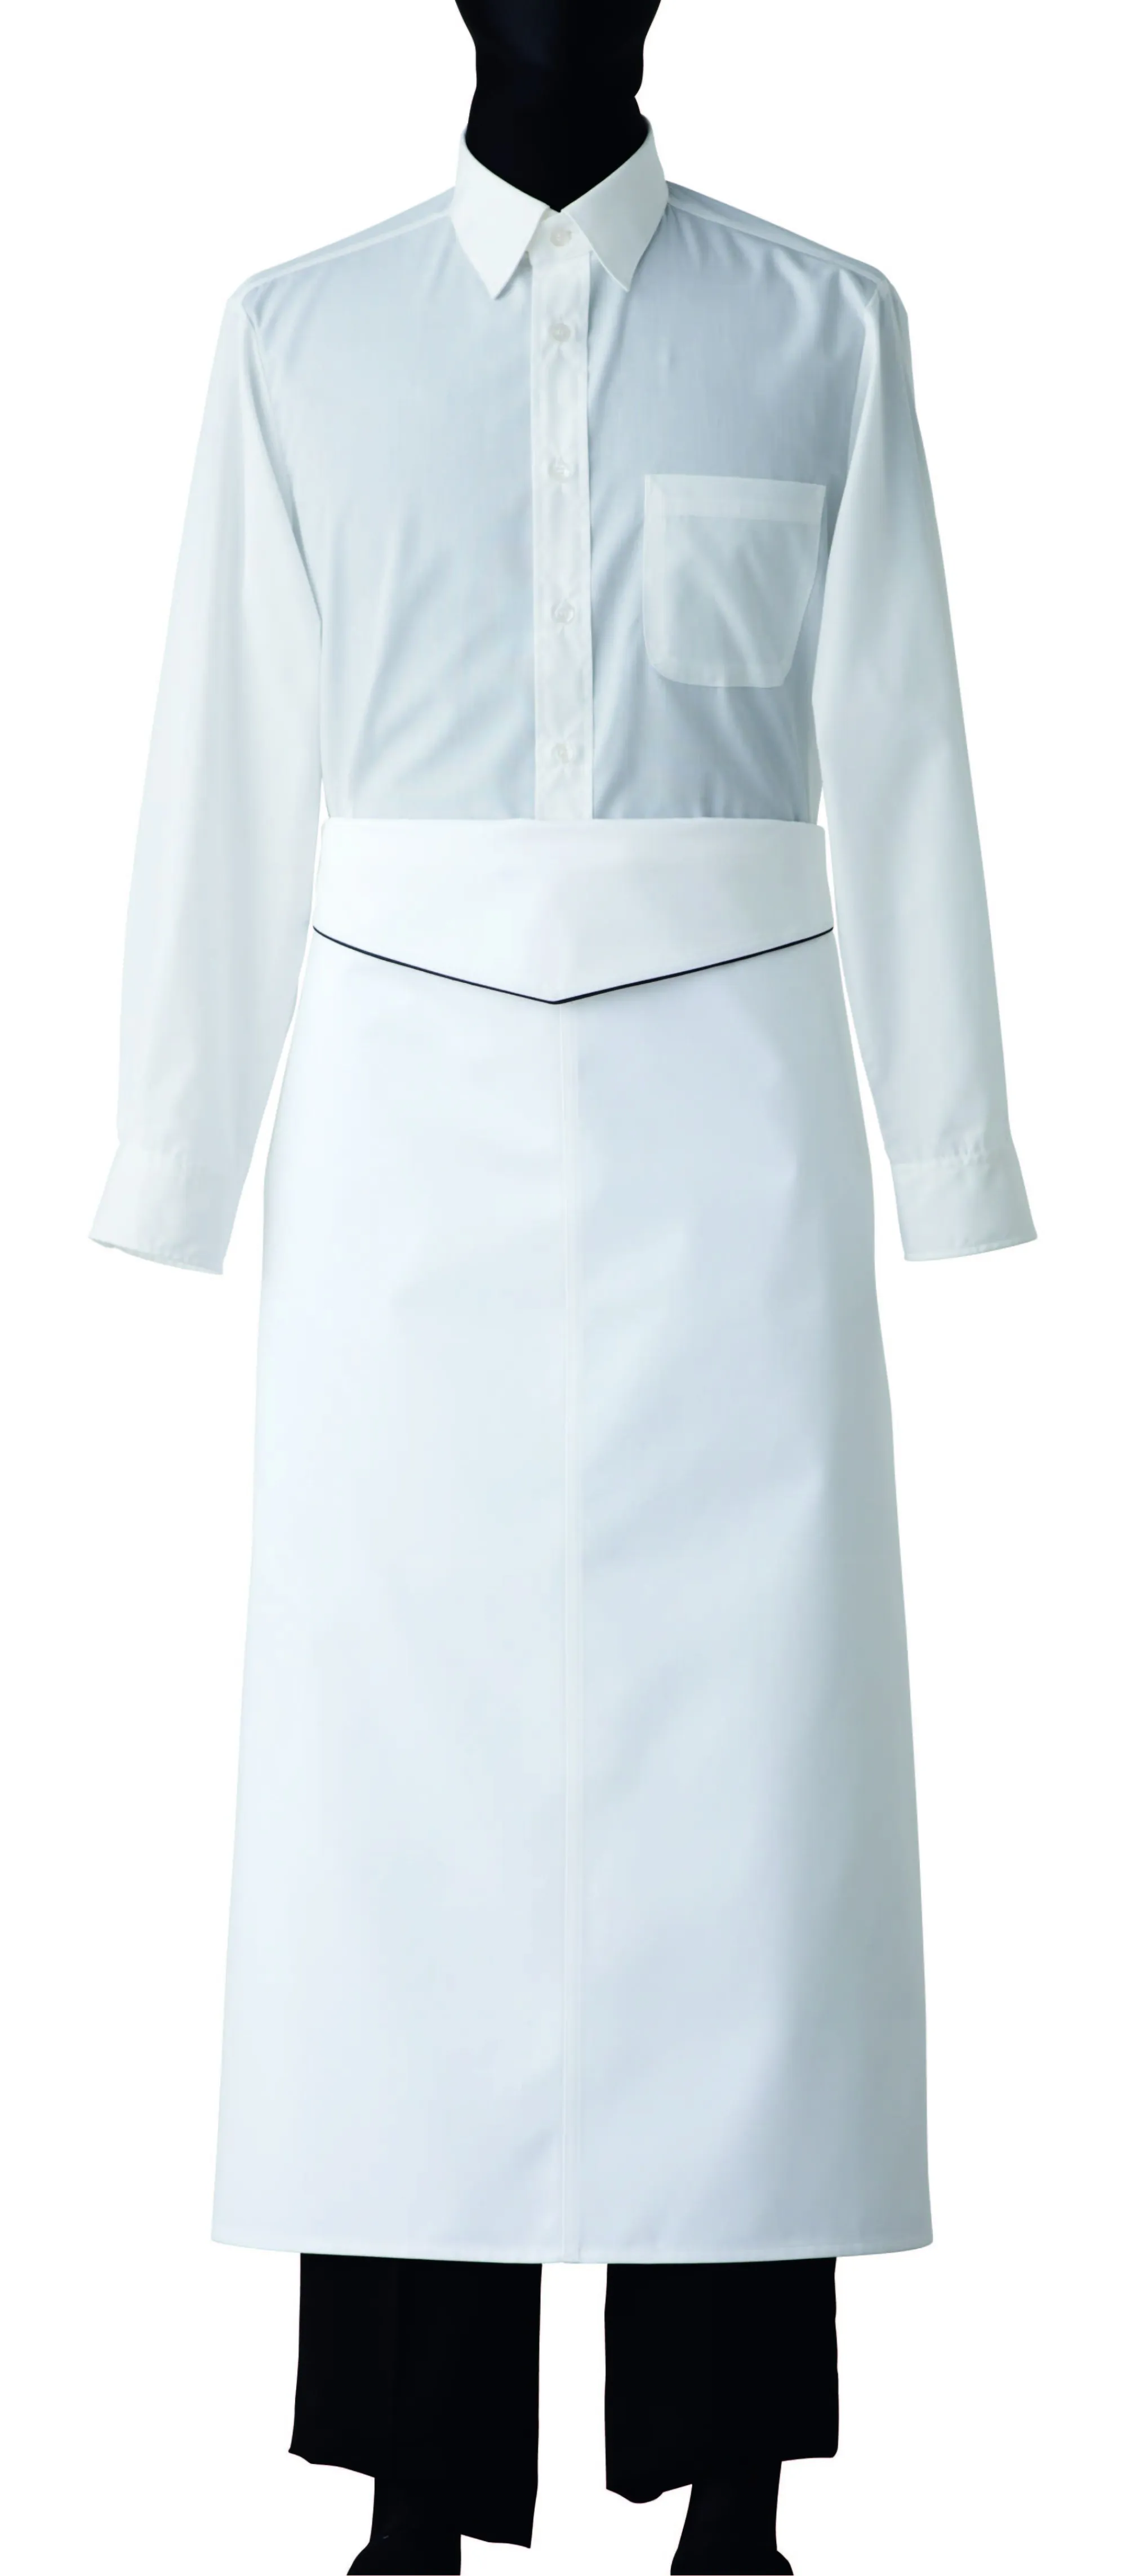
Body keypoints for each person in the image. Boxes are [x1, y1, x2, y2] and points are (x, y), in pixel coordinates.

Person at [92, 2, 1034, 2566]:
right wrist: (173, 1148)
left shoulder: (823, 324)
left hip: (736, 1137)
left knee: (749, 1809)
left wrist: (947, 1146)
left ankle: (730, 2481)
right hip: (402, 1157)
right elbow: (225, 751)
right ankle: (415, 2478)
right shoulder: (299, 337)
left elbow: (902, 747)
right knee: (397, 1816)